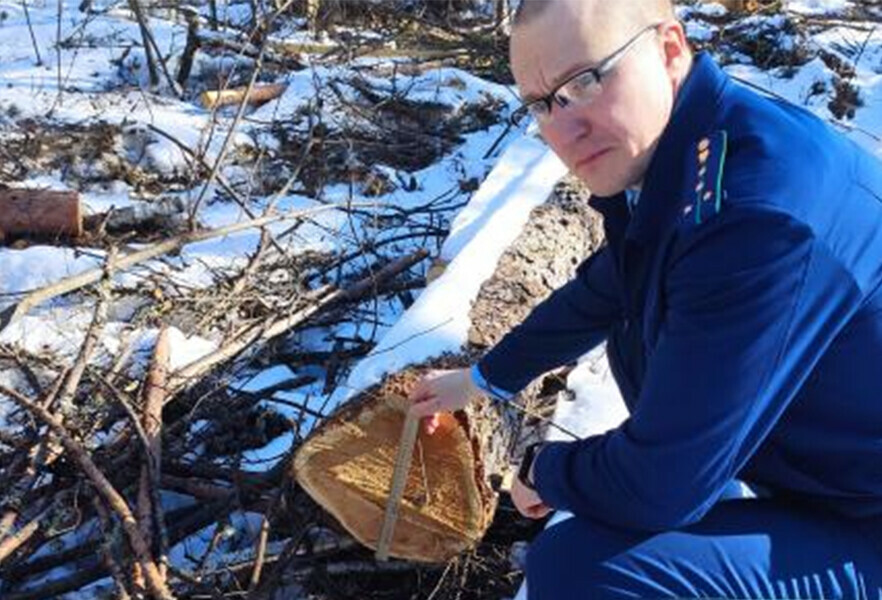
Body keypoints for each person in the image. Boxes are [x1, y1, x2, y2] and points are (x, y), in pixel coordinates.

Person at [407, 0, 882, 598]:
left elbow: (662, 482)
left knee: (582, 570)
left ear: (669, 49)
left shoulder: (755, 214)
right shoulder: (697, 148)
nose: (561, 127)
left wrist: (543, 472)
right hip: (831, 487)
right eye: (541, 103)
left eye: (584, 80)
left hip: (865, 522)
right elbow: (610, 286)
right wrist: (481, 379)